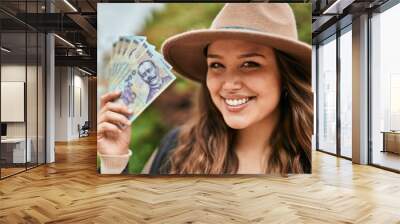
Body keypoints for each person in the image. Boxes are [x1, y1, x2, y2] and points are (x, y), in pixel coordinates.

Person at [97, 3, 312, 175]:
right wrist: (114, 162)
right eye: (216, 65)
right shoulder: (177, 147)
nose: (228, 84)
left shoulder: (315, 161)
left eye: (250, 64)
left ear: (285, 76)